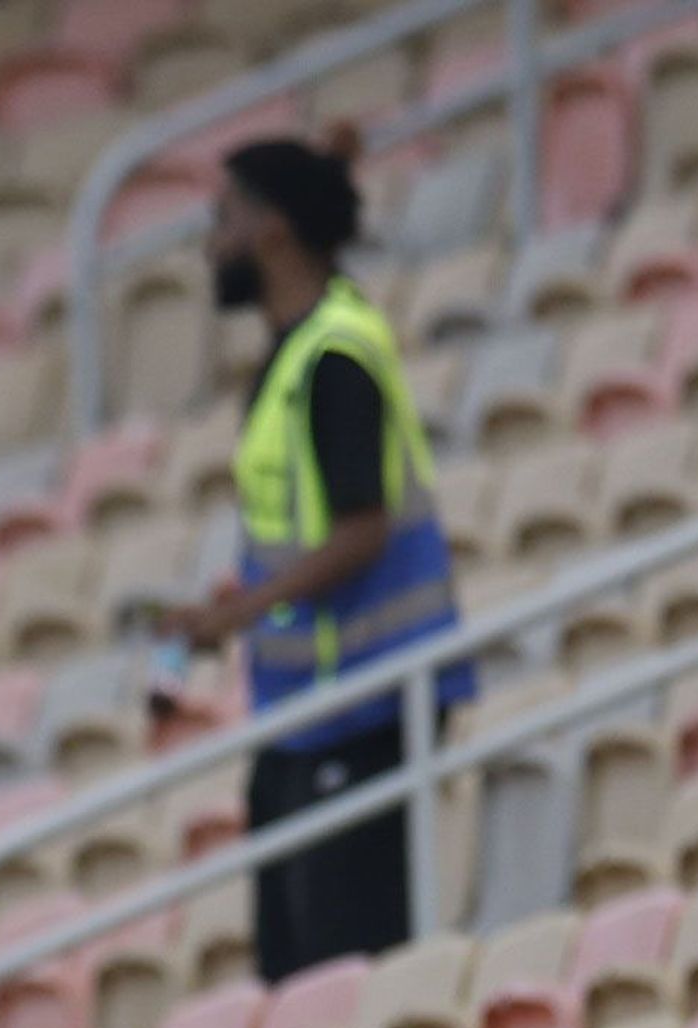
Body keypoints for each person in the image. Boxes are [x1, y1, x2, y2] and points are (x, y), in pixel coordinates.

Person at [157, 137, 474, 982]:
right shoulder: (295, 353)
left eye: (223, 218)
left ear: (273, 231)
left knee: (345, 977)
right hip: (307, 708)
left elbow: (362, 529)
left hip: (366, 705)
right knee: (291, 974)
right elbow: (301, 534)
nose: (209, 243)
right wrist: (241, 603)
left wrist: (243, 613)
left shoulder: (333, 355)